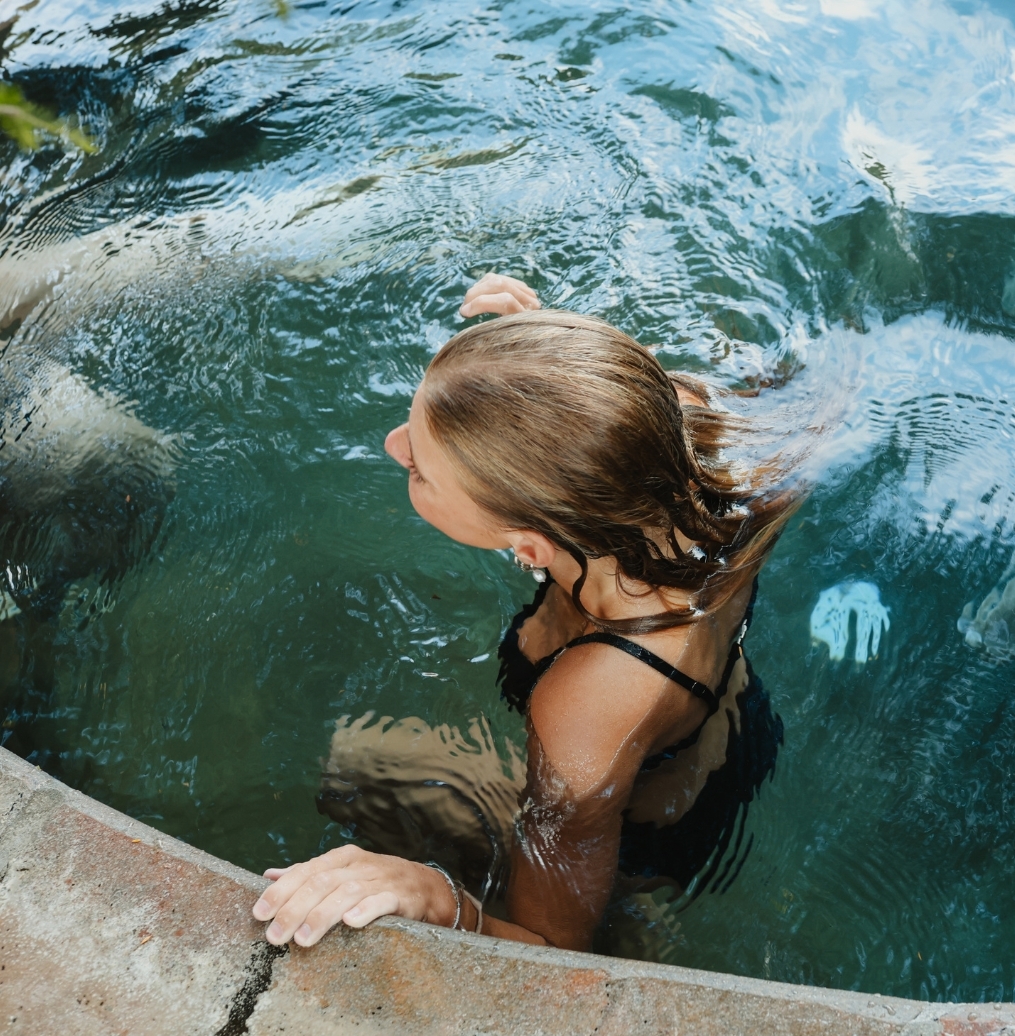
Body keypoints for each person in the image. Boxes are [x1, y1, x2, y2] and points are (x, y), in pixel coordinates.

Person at [252, 274, 799, 952]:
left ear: (530, 545)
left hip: (653, 826)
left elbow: (550, 948)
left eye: (419, 469)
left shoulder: (587, 706)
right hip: (716, 724)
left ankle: (640, 922)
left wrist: (432, 895)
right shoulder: (682, 431)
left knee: (350, 765)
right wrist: (549, 363)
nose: (395, 448)